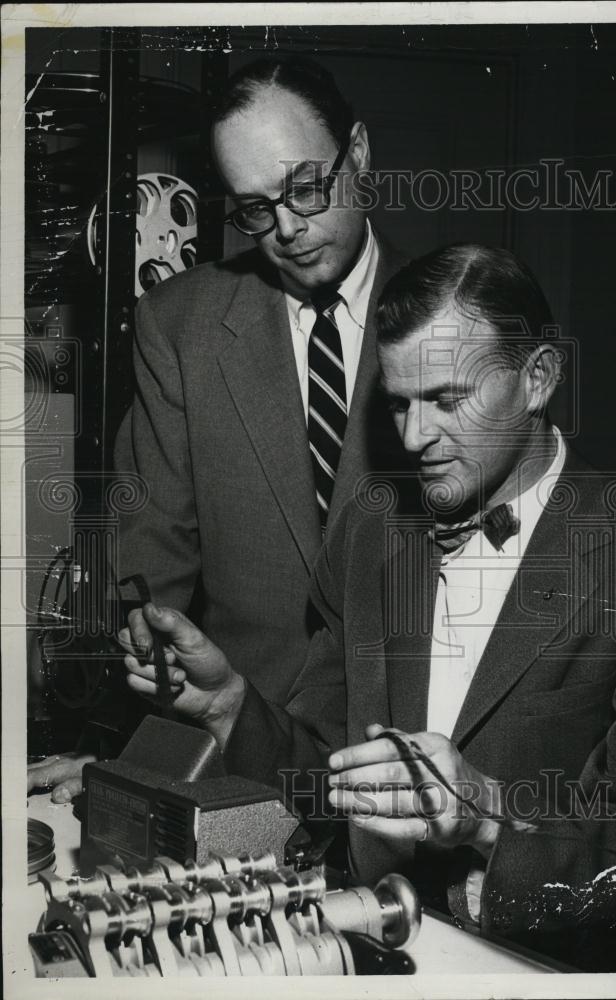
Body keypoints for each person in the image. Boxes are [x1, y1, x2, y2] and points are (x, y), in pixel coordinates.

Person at [120, 244, 616, 970]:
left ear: (538, 377)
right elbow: (326, 782)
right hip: (364, 940)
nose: (415, 439)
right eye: (398, 404)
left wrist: (485, 813)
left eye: (447, 400)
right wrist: (229, 705)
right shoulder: (370, 532)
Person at [27, 53, 408, 802]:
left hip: (402, 753)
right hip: (231, 748)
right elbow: (151, 562)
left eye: (304, 187)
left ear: (358, 154)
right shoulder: (181, 325)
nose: (288, 229)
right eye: (253, 208)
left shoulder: (457, 320)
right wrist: (144, 761)